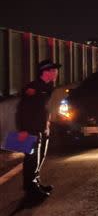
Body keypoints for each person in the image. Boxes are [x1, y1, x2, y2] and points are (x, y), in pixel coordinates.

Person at [15, 59, 61, 200]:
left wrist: (47, 125)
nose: (56, 73)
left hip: (41, 128)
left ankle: (36, 182)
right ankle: (31, 189)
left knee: (39, 158)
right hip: (30, 130)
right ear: (45, 72)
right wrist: (22, 130)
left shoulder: (48, 87)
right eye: (53, 70)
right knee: (31, 159)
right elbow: (22, 110)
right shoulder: (33, 88)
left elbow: (44, 109)